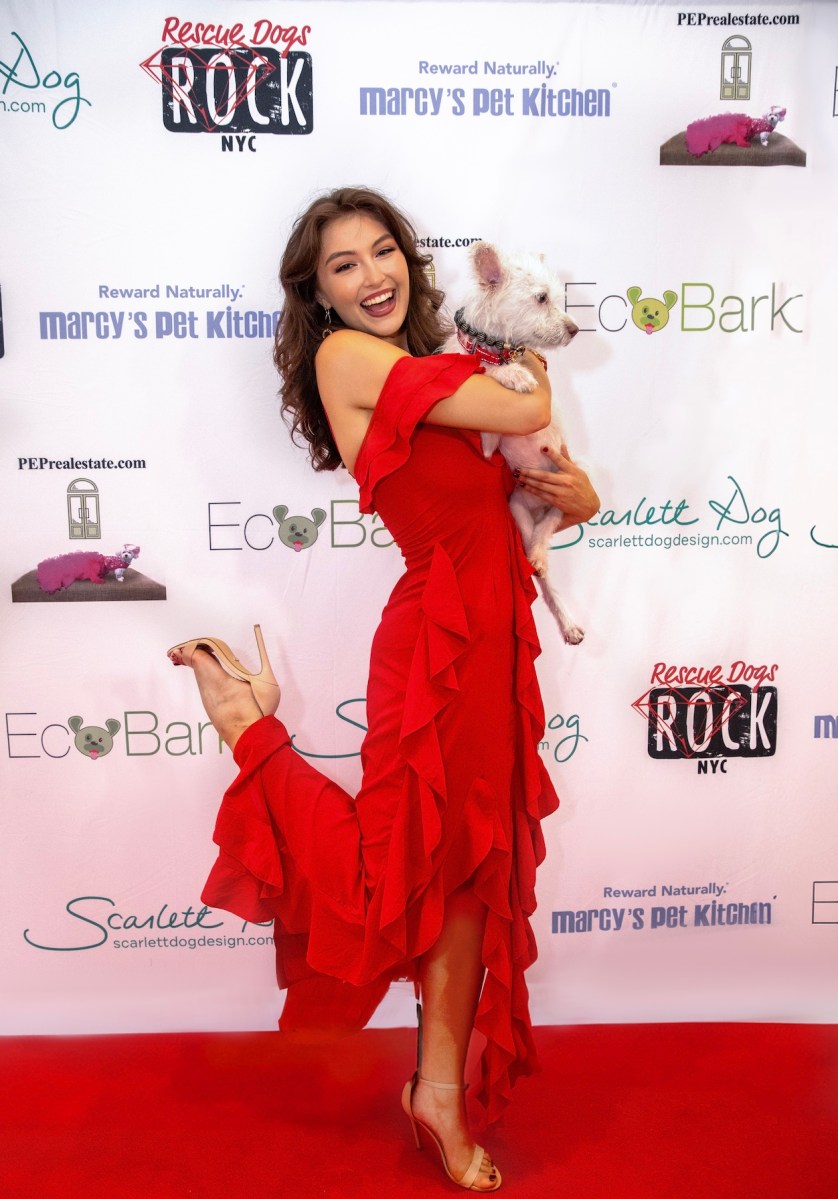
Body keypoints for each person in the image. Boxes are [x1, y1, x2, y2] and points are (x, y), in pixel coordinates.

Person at [168, 187, 599, 1191]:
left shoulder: (430, 371)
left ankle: (436, 1092)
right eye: (343, 265)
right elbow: (529, 403)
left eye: (381, 252)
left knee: (466, 883)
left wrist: (578, 496)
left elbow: (531, 474)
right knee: (391, 871)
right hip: (433, 651)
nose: (372, 276)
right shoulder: (347, 358)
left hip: (495, 643)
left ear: (409, 258)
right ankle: (251, 735)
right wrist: (526, 376)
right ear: (315, 294)